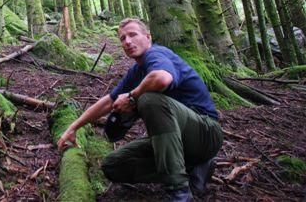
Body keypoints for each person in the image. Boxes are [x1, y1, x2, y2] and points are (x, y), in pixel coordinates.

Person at [57, 18, 223, 201]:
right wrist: (74, 127)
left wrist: (131, 97)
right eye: (122, 38)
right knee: (113, 166)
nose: (127, 41)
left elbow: (161, 79)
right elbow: (108, 102)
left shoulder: (156, 54)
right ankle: (193, 168)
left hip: (206, 133)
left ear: (148, 37)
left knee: (149, 100)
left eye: (133, 35)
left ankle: (179, 191)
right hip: (178, 140)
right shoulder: (137, 71)